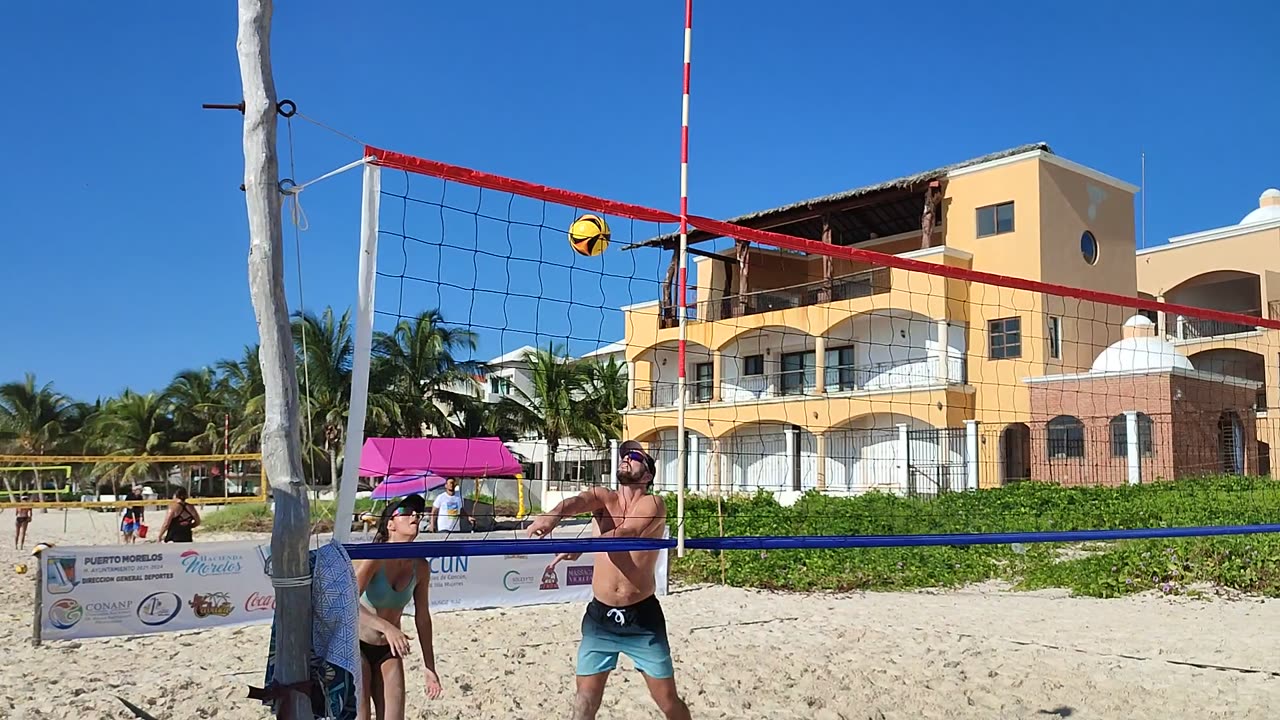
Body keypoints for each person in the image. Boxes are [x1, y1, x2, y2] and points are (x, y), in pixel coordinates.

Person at [526, 440, 691, 720]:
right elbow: (577, 501)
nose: (626, 458)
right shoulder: (604, 497)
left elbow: (628, 532)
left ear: (648, 474)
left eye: (635, 456)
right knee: (584, 703)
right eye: (624, 454)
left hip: (641, 618)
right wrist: (552, 516)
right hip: (600, 616)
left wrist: (581, 545)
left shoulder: (653, 503)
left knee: (668, 702)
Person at [354, 494, 442, 720]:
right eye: (405, 512)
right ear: (390, 525)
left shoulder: (420, 566)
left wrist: (429, 667)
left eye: (416, 513)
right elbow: (347, 603)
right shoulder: (373, 558)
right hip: (357, 646)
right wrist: (388, 627)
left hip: (389, 650)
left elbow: (422, 618)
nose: (414, 515)